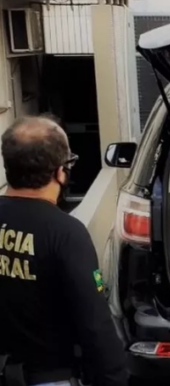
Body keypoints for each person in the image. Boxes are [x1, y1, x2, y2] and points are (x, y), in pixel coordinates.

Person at [0, 116, 127, 386]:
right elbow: (95, 324)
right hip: (47, 376)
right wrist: (114, 377)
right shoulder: (66, 234)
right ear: (59, 172)